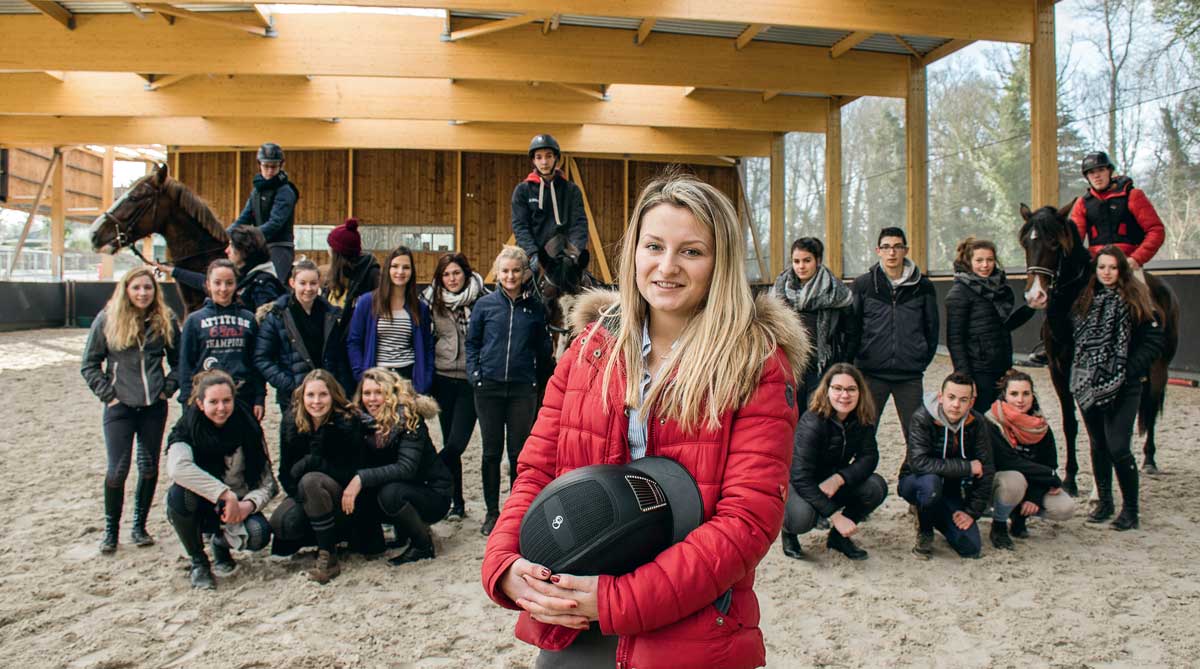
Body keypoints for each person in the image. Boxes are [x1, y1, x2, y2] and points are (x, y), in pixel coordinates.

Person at [481, 173, 809, 668]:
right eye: (654, 246)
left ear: (720, 262)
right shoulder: (589, 350)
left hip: (692, 624)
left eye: (691, 251)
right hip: (573, 612)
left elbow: (747, 520)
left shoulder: (755, 364)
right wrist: (505, 564)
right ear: (633, 250)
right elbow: (537, 472)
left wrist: (619, 599)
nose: (667, 267)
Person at [81, 267, 180, 554]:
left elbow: (179, 360)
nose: (142, 293)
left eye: (147, 288)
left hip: (152, 406)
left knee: (148, 467)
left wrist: (167, 388)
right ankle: (111, 530)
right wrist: (108, 395)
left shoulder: (166, 319)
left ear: (155, 291)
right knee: (117, 469)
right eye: (136, 288)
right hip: (120, 407)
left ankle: (140, 525)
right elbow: (89, 363)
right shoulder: (107, 319)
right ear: (126, 289)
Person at [1070, 245, 1165, 531]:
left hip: (1125, 385)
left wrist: (1126, 370)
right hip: (1089, 384)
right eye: (1102, 267)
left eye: (1112, 267)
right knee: (1098, 445)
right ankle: (1105, 502)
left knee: (1119, 447)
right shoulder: (1086, 300)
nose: (1107, 273)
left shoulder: (1137, 300)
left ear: (1121, 269)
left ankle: (1131, 510)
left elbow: (1153, 341)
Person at [466, 246, 553, 537]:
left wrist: (538, 386)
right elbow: (472, 343)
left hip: (522, 391)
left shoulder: (536, 309)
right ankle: (492, 512)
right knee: (491, 452)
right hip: (488, 388)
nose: (511, 275)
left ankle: (516, 512)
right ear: (497, 273)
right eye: (505, 271)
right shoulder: (485, 305)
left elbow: (544, 352)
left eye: (516, 270)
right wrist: (475, 375)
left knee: (519, 454)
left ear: (525, 272)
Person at [164, 370, 277, 589]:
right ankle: (198, 560)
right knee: (179, 495)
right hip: (203, 503)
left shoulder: (248, 427)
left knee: (259, 534)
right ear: (200, 403)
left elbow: (268, 483)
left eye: (226, 401)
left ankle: (219, 543)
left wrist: (248, 505)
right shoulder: (187, 428)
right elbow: (178, 468)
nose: (221, 408)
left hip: (237, 502)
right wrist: (224, 494)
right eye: (213, 402)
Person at [269, 369, 378, 583]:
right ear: (302, 396)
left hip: (346, 497)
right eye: (310, 395)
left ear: (333, 396)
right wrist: (301, 499)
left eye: (323, 395)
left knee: (311, 480)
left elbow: (352, 471)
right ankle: (321, 532)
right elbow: (285, 472)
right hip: (307, 494)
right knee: (283, 523)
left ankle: (328, 556)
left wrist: (314, 462)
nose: (316, 402)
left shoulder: (347, 421)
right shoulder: (292, 420)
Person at [780, 363, 886, 562]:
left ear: (860, 392)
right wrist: (835, 517)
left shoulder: (863, 418)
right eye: (837, 389)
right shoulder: (812, 422)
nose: (844, 395)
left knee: (876, 487)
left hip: (834, 480)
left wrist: (839, 478)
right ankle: (788, 532)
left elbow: (869, 457)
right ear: (827, 390)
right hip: (802, 485)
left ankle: (838, 538)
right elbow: (800, 476)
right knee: (801, 518)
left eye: (851, 389)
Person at [845, 227, 939, 446]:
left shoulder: (922, 286)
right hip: (871, 372)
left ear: (905, 250)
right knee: (863, 432)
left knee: (916, 436)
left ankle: (913, 476)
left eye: (897, 247)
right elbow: (853, 327)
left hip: (909, 375)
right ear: (878, 250)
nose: (892, 252)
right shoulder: (864, 285)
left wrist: (920, 357)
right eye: (886, 247)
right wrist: (856, 361)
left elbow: (932, 328)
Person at [350, 368, 452, 565]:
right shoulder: (364, 422)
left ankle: (423, 546)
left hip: (433, 492)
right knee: (368, 489)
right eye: (367, 393)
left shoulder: (409, 419)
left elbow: (406, 468)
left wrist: (361, 478)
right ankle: (380, 541)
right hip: (406, 486)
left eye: (378, 392)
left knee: (389, 493)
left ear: (390, 394)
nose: (371, 399)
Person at [897, 372, 995, 560]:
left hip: (950, 490)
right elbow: (918, 463)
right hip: (916, 482)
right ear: (941, 397)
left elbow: (987, 468)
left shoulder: (977, 423)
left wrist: (971, 512)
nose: (956, 405)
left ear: (971, 403)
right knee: (930, 485)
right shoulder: (922, 417)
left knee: (970, 547)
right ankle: (925, 531)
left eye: (963, 399)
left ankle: (934, 514)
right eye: (951, 397)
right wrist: (967, 467)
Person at [422, 252, 488, 520]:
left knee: (456, 444)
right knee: (449, 439)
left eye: (456, 273)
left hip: (470, 382)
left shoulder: (482, 299)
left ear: (466, 273)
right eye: (446, 274)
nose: (451, 279)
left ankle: (428, 469)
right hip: (443, 379)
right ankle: (457, 502)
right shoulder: (430, 302)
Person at [984, 369, 1077, 550]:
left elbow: (1049, 463)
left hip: (1032, 483)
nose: (1020, 400)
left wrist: (1034, 497)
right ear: (1004, 395)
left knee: (1065, 507)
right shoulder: (992, 422)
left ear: (1032, 395)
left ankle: (1020, 517)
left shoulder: (1039, 425)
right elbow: (1008, 461)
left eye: (1026, 394)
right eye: (1014, 394)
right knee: (1014, 481)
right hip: (999, 483)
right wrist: (1049, 475)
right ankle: (999, 526)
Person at [944, 237, 1035, 410]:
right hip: (978, 369)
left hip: (1002, 365)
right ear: (969, 262)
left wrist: (1031, 308)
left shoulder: (1000, 288)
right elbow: (955, 340)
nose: (985, 265)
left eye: (990, 260)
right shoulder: (959, 293)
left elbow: (1005, 326)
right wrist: (965, 378)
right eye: (979, 260)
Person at [255, 259, 353, 414]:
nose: (308, 288)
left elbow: (338, 356)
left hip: (327, 393)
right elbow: (262, 358)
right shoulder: (277, 316)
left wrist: (341, 388)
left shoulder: (330, 315)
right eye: (303, 283)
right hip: (293, 395)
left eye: (313, 283)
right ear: (292, 283)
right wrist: (290, 384)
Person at [178, 259, 265, 420]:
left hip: (243, 396)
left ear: (236, 285)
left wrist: (260, 397)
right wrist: (186, 401)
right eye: (217, 283)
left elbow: (256, 361)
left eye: (229, 283)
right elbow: (185, 364)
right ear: (208, 284)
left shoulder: (249, 318)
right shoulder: (194, 320)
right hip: (207, 398)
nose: (223, 289)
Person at [345, 246, 434, 393]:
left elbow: (427, 346)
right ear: (387, 269)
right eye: (395, 266)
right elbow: (354, 342)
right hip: (377, 378)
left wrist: (426, 379)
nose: (400, 272)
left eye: (406, 267)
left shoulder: (420, 308)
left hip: (409, 379)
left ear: (412, 272)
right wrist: (362, 376)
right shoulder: (367, 303)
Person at [1070, 151, 1165, 274]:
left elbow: (1156, 230)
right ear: (1087, 177)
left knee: (1142, 292)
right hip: (1097, 268)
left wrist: (1136, 258)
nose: (1096, 176)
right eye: (1091, 172)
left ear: (1109, 171)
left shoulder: (1133, 196)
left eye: (1101, 170)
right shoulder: (1082, 204)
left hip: (1128, 266)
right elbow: (1074, 243)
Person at [155, 226, 284, 313]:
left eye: (231, 246)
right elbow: (204, 281)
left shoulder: (264, 284)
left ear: (244, 250)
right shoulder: (248, 277)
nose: (226, 251)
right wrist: (172, 271)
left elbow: (266, 327)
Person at [511, 134, 589, 274]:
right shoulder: (522, 190)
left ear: (556, 158)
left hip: (564, 252)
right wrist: (532, 253)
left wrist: (574, 252)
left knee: (585, 283)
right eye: (539, 157)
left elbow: (579, 224)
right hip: (534, 254)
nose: (544, 162)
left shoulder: (572, 190)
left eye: (548, 156)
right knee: (512, 282)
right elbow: (520, 226)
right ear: (533, 161)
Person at [228, 142, 300, 282]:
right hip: (261, 245)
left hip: (280, 246)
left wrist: (249, 237)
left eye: (274, 167)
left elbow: (275, 224)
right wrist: (226, 234)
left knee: (271, 281)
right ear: (259, 164)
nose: (269, 171)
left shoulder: (285, 191)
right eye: (266, 166)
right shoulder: (256, 191)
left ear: (281, 165)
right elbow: (244, 218)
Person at [323, 217, 380, 333]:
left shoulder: (370, 276)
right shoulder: (333, 275)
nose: (328, 250)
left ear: (338, 254)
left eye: (330, 247)